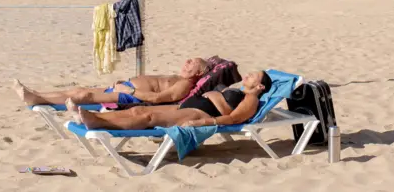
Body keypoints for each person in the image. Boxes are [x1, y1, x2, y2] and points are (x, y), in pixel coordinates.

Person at [77, 70, 273, 130]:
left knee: (150, 117)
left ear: (260, 87)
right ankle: (95, 118)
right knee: (139, 111)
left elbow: (234, 119)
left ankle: (98, 123)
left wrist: (202, 122)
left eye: (253, 75)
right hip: (190, 105)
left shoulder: (251, 99)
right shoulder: (240, 92)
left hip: (202, 112)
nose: (248, 74)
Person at [13, 58, 209, 107]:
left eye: (192, 62)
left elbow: (157, 98)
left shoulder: (185, 85)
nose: (186, 62)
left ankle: (37, 99)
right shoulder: (178, 78)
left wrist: (128, 90)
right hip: (125, 88)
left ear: (199, 72)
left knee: (85, 96)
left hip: (129, 96)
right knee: (80, 90)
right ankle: (37, 95)